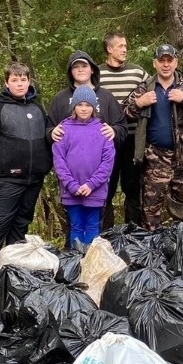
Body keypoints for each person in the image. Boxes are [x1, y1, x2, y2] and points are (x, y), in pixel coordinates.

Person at [125, 44, 183, 231]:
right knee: (150, 213)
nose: (166, 65)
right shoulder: (145, 88)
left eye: (169, 60)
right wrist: (139, 103)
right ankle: (152, 256)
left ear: (176, 62)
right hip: (155, 160)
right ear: (154, 63)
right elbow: (124, 115)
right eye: (161, 61)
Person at [0, 63, 53, 254]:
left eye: (23, 80)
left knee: (21, 224)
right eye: (15, 80)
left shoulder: (37, 108)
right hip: (6, 178)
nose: (20, 84)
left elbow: (46, 138)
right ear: (6, 82)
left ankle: (11, 268)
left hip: (34, 178)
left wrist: (45, 166)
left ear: (29, 81)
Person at [52, 87, 116, 247]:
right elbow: (59, 160)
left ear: (94, 107)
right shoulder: (64, 129)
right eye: (80, 105)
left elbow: (108, 162)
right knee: (76, 225)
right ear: (74, 106)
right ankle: (75, 262)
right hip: (71, 190)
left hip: (95, 190)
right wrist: (72, 185)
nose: (84, 109)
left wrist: (91, 185)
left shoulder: (102, 130)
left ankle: (90, 263)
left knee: (93, 226)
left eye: (88, 105)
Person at [96, 32, 148, 228]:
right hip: (105, 140)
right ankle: (105, 236)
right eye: (121, 46)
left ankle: (134, 236)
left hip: (133, 138)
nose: (125, 49)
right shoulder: (96, 74)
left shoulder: (138, 73)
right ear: (109, 49)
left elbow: (152, 95)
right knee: (104, 189)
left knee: (133, 188)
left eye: (126, 46)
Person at [48, 50, 127, 149]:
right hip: (69, 159)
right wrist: (51, 133)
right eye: (76, 67)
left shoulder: (106, 96)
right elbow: (49, 127)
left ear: (92, 70)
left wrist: (114, 131)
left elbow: (122, 127)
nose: (80, 70)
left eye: (84, 66)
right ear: (70, 72)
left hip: (102, 159)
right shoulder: (60, 98)